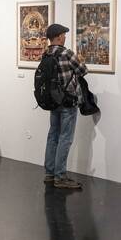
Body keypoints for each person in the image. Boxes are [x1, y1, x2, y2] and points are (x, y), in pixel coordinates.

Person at [43, 23, 87, 190]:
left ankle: (49, 173)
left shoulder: (46, 54)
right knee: (65, 138)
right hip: (68, 101)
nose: (65, 37)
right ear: (59, 37)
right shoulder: (67, 53)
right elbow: (83, 70)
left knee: (53, 136)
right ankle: (60, 176)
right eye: (64, 34)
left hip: (53, 101)